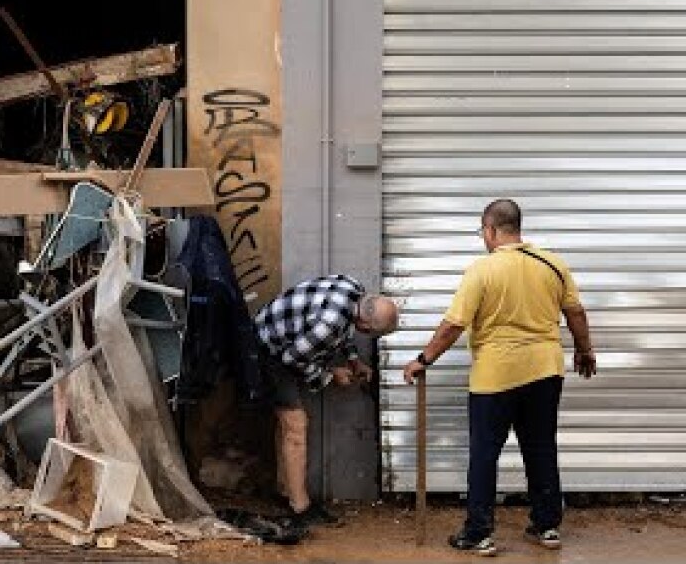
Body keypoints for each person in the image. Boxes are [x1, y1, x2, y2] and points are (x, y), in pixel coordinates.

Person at [402, 199, 597, 557]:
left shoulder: (482, 270)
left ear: (491, 230)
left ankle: (479, 533)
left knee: (484, 454)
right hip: (545, 370)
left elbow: (453, 326)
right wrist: (585, 350)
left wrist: (422, 359)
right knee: (540, 448)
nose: (483, 239)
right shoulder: (553, 264)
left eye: (483, 233)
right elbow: (576, 312)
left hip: (496, 376)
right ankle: (547, 525)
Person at [255, 274, 400, 529]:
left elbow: (343, 330)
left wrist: (353, 360)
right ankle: (300, 509)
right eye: (371, 333)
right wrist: (330, 375)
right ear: (365, 327)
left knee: (288, 426)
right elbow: (291, 359)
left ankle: (286, 491)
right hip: (267, 349)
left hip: (285, 337)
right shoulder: (330, 324)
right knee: (296, 426)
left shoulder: (354, 288)